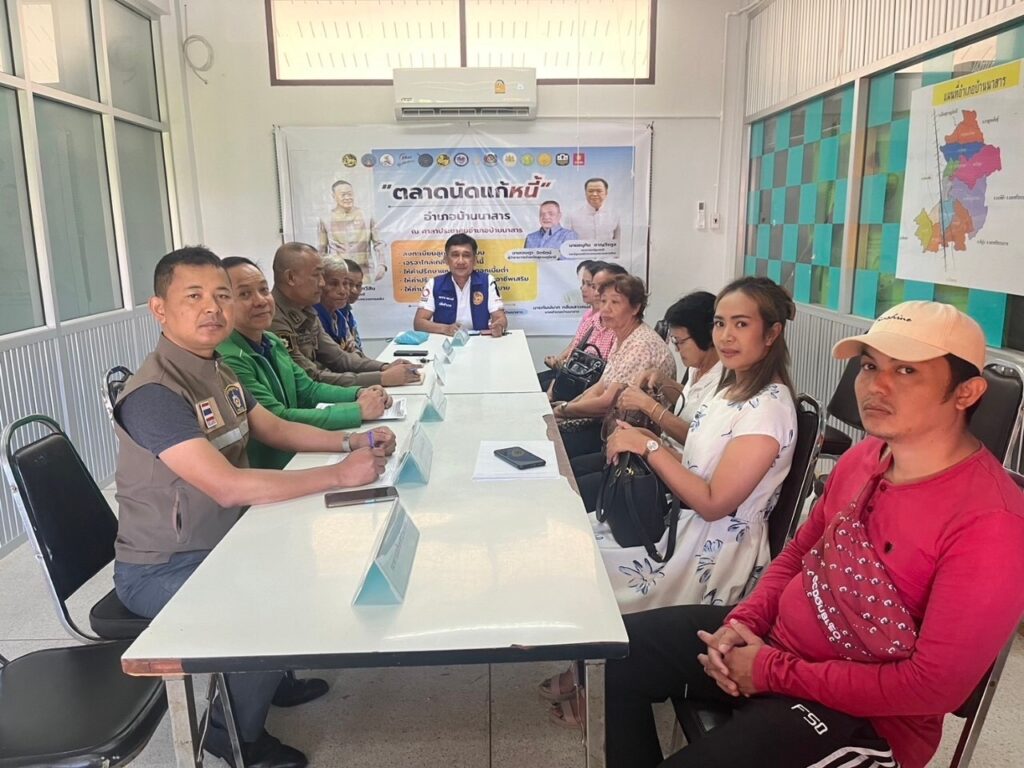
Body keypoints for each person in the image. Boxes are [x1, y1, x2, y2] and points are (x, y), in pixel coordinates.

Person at [601, 300, 1024, 768]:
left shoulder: (992, 522)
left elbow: (933, 687)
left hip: (862, 718)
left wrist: (771, 671)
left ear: (966, 393)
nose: (876, 385)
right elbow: (800, 551)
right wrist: (745, 621)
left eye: (906, 370)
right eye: (870, 366)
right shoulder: (863, 458)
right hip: (778, 648)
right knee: (615, 657)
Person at [111, 247, 397, 768]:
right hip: (165, 565)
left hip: (228, 536)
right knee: (262, 609)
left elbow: (274, 428)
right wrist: (338, 475)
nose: (212, 308)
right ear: (159, 309)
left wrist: (350, 442)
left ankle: (270, 676)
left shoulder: (218, 367)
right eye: (194, 296)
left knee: (308, 560)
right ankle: (230, 734)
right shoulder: (155, 393)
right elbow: (226, 486)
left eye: (221, 295)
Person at [543, 279, 797, 717]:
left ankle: (597, 684)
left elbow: (714, 502)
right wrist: (647, 438)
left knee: (587, 562)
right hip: (684, 521)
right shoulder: (732, 390)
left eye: (741, 324)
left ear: (772, 333)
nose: (726, 336)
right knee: (576, 538)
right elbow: (697, 458)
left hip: (713, 548)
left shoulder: (768, 410)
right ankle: (589, 673)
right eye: (720, 323)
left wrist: (649, 447)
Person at [217, 256, 392, 470]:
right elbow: (277, 418)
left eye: (263, 290)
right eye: (245, 294)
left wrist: (359, 393)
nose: (261, 300)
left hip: (300, 453)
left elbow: (308, 390)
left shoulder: (271, 340)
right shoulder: (228, 357)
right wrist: (357, 410)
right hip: (271, 469)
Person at [570, 290, 723, 507]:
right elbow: (689, 401)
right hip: (659, 450)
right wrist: (661, 380)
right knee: (573, 469)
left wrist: (648, 406)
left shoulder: (724, 382)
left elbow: (697, 438)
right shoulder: (697, 368)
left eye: (680, 342)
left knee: (578, 490)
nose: (677, 349)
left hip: (676, 470)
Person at [551, 273, 675, 458]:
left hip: (634, 440)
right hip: (609, 426)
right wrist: (564, 407)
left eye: (615, 302)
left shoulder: (641, 345)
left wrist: (563, 411)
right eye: (603, 301)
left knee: (555, 448)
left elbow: (606, 403)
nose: (605, 309)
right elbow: (601, 385)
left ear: (635, 308)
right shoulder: (622, 336)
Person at [270, 242, 420, 387]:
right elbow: (310, 379)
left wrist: (385, 367)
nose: (321, 283)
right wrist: (382, 378)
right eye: (316, 275)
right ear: (291, 278)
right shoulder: (273, 317)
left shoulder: (307, 310)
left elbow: (339, 358)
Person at [538, 260, 618, 391]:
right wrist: (559, 360)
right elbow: (575, 345)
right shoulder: (590, 319)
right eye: (583, 283)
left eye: (590, 285)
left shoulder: (616, 330)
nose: (583, 288)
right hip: (576, 374)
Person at [414, 233, 508, 336]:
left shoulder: (487, 281)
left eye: (466, 255)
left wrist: (499, 326)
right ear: (446, 259)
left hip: (480, 341)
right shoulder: (434, 284)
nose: (461, 261)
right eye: (455, 255)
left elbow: (500, 317)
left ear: (475, 260)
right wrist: (445, 329)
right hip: (446, 341)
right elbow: (419, 323)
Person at [316, 179, 386, 282]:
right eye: (343, 195)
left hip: (364, 273)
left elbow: (378, 243)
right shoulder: (325, 219)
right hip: (337, 274)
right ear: (334, 196)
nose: (347, 198)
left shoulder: (367, 216)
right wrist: (320, 273)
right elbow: (322, 249)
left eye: (350, 194)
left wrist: (382, 264)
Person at [314, 256, 361, 355]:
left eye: (345, 283)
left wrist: (354, 348)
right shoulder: (313, 317)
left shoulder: (339, 317)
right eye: (333, 284)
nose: (342, 291)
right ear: (320, 284)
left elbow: (354, 351)